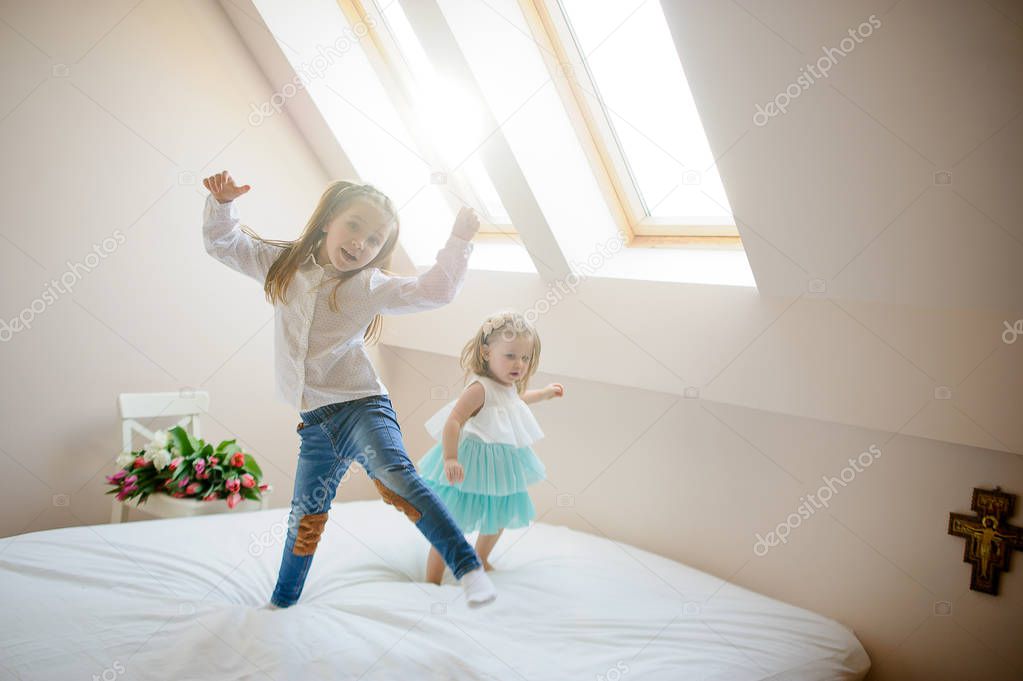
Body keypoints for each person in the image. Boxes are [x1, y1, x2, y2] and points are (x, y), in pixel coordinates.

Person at [201, 170, 497, 608]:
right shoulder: (284, 266)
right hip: (316, 426)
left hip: (362, 409)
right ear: (328, 221)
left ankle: (468, 567)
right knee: (305, 518)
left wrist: (458, 240)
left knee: (397, 477)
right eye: (355, 226)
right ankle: (282, 601)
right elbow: (225, 245)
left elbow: (435, 290)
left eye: (375, 240)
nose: (361, 242)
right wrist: (223, 205)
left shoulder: (368, 285)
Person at [416, 310, 565, 584]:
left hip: (501, 461)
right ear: (486, 353)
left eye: (525, 357)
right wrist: (450, 458)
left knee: (498, 512)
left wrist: (543, 394)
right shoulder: (479, 388)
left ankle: (481, 557)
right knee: (451, 520)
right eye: (510, 355)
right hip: (471, 459)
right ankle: (432, 578)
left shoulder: (508, 386)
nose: (518, 364)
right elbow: (453, 422)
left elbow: (517, 400)